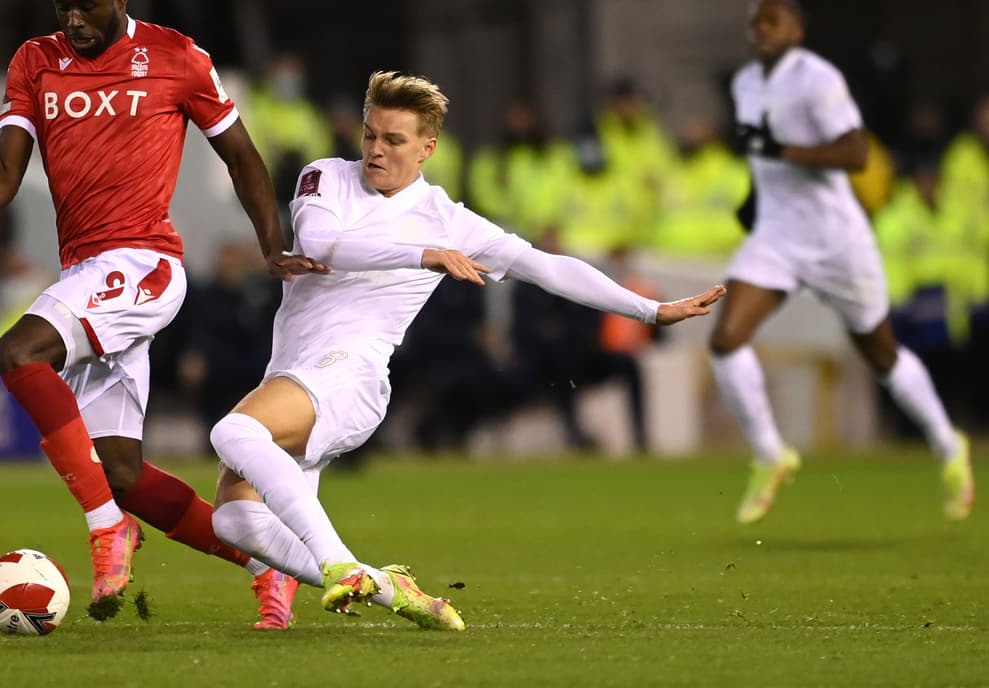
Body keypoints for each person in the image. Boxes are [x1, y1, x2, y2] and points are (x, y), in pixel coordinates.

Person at [207, 71, 726, 631]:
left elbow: (545, 268)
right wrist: (424, 255)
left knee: (233, 433)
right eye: (370, 135)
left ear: (428, 148)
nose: (376, 150)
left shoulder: (448, 219)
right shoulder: (326, 177)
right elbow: (321, 243)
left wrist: (649, 310)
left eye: (394, 140)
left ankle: (340, 567)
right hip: (292, 372)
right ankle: (386, 587)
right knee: (235, 521)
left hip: (350, 378)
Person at [0, 0, 325, 621]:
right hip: (88, 273)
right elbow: (6, 165)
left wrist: (273, 245)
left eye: (87, 6)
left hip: (142, 265)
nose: (74, 23)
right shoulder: (36, 61)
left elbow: (241, 156)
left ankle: (105, 529)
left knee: (16, 351)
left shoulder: (177, 57)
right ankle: (275, 561)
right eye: (63, 7)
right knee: (121, 475)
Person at [709, 0, 975, 525]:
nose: (764, 29)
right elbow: (764, 161)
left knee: (881, 355)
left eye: (775, 21)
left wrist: (782, 150)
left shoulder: (818, 79)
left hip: (836, 241)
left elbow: (855, 154)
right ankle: (771, 455)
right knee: (725, 339)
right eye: (758, 21)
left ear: (798, 30)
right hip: (777, 236)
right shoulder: (744, 83)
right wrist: (753, 201)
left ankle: (949, 446)